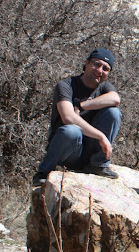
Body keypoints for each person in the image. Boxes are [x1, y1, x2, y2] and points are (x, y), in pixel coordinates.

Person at [33, 48, 121, 186]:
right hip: (69, 151)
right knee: (71, 131)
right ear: (86, 63)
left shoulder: (104, 88)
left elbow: (115, 99)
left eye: (105, 68)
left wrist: (81, 106)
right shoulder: (66, 85)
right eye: (96, 64)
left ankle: (98, 165)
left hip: (89, 151)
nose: (99, 70)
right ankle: (43, 172)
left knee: (113, 113)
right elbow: (68, 117)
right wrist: (101, 136)